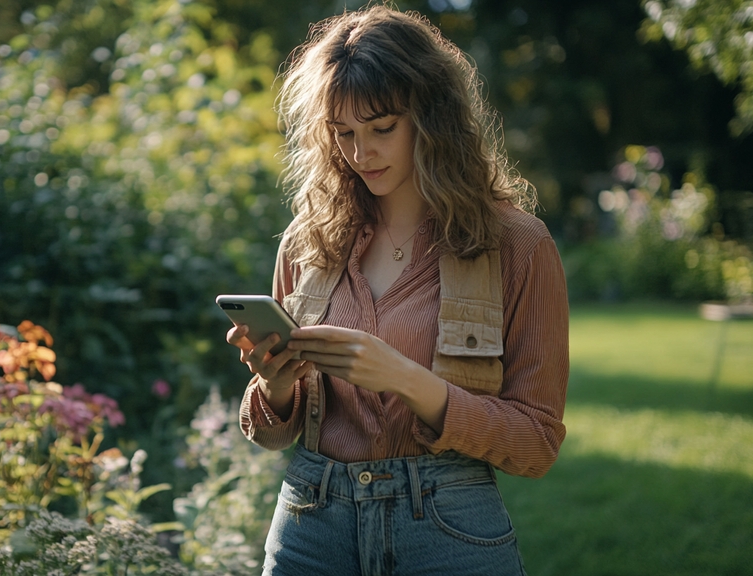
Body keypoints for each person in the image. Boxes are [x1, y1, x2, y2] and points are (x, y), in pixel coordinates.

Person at [225, 5, 569, 576]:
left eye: (382, 128)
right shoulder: (307, 241)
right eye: (344, 134)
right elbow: (268, 432)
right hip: (312, 522)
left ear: (432, 117)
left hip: (447, 527)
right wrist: (277, 385)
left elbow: (536, 444)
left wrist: (406, 380)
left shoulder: (517, 245)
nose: (361, 154)